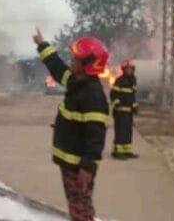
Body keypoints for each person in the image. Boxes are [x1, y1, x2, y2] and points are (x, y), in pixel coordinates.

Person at [33, 28, 109, 221]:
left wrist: (87, 167)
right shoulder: (76, 81)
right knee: (77, 206)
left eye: (76, 58)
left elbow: (96, 136)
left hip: (78, 166)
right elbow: (57, 68)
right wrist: (42, 45)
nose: (72, 60)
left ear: (87, 65)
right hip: (70, 163)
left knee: (81, 209)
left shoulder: (92, 95)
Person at [110, 58, 139, 159]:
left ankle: (127, 151)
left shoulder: (133, 81)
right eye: (127, 69)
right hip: (120, 111)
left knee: (128, 131)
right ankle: (117, 152)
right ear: (123, 70)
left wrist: (135, 107)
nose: (129, 70)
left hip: (129, 111)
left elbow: (133, 96)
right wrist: (117, 104)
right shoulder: (119, 80)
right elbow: (113, 94)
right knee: (120, 132)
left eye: (131, 69)